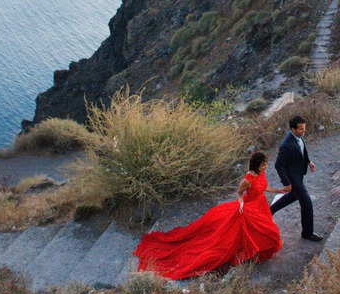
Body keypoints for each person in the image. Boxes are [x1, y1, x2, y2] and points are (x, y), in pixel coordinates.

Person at [132, 151, 291, 280]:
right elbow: (238, 193)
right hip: (248, 208)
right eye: (263, 164)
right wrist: (241, 203)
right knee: (251, 233)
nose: (266, 167)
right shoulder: (247, 179)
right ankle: (248, 253)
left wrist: (279, 191)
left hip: (260, 205)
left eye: (266, 164)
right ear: (256, 165)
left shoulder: (262, 174)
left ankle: (254, 251)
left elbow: (263, 187)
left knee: (263, 231)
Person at [269, 115, 323, 241]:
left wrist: (308, 161)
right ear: (292, 129)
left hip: (298, 174)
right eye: (300, 129)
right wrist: (287, 183)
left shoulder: (298, 137)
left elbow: (302, 148)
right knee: (307, 203)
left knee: (293, 196)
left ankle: (269, 210)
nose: (303, 131)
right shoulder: (286, 145)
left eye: (304, 128)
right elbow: (278, 165)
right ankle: (307, 233)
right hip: (293, 178)